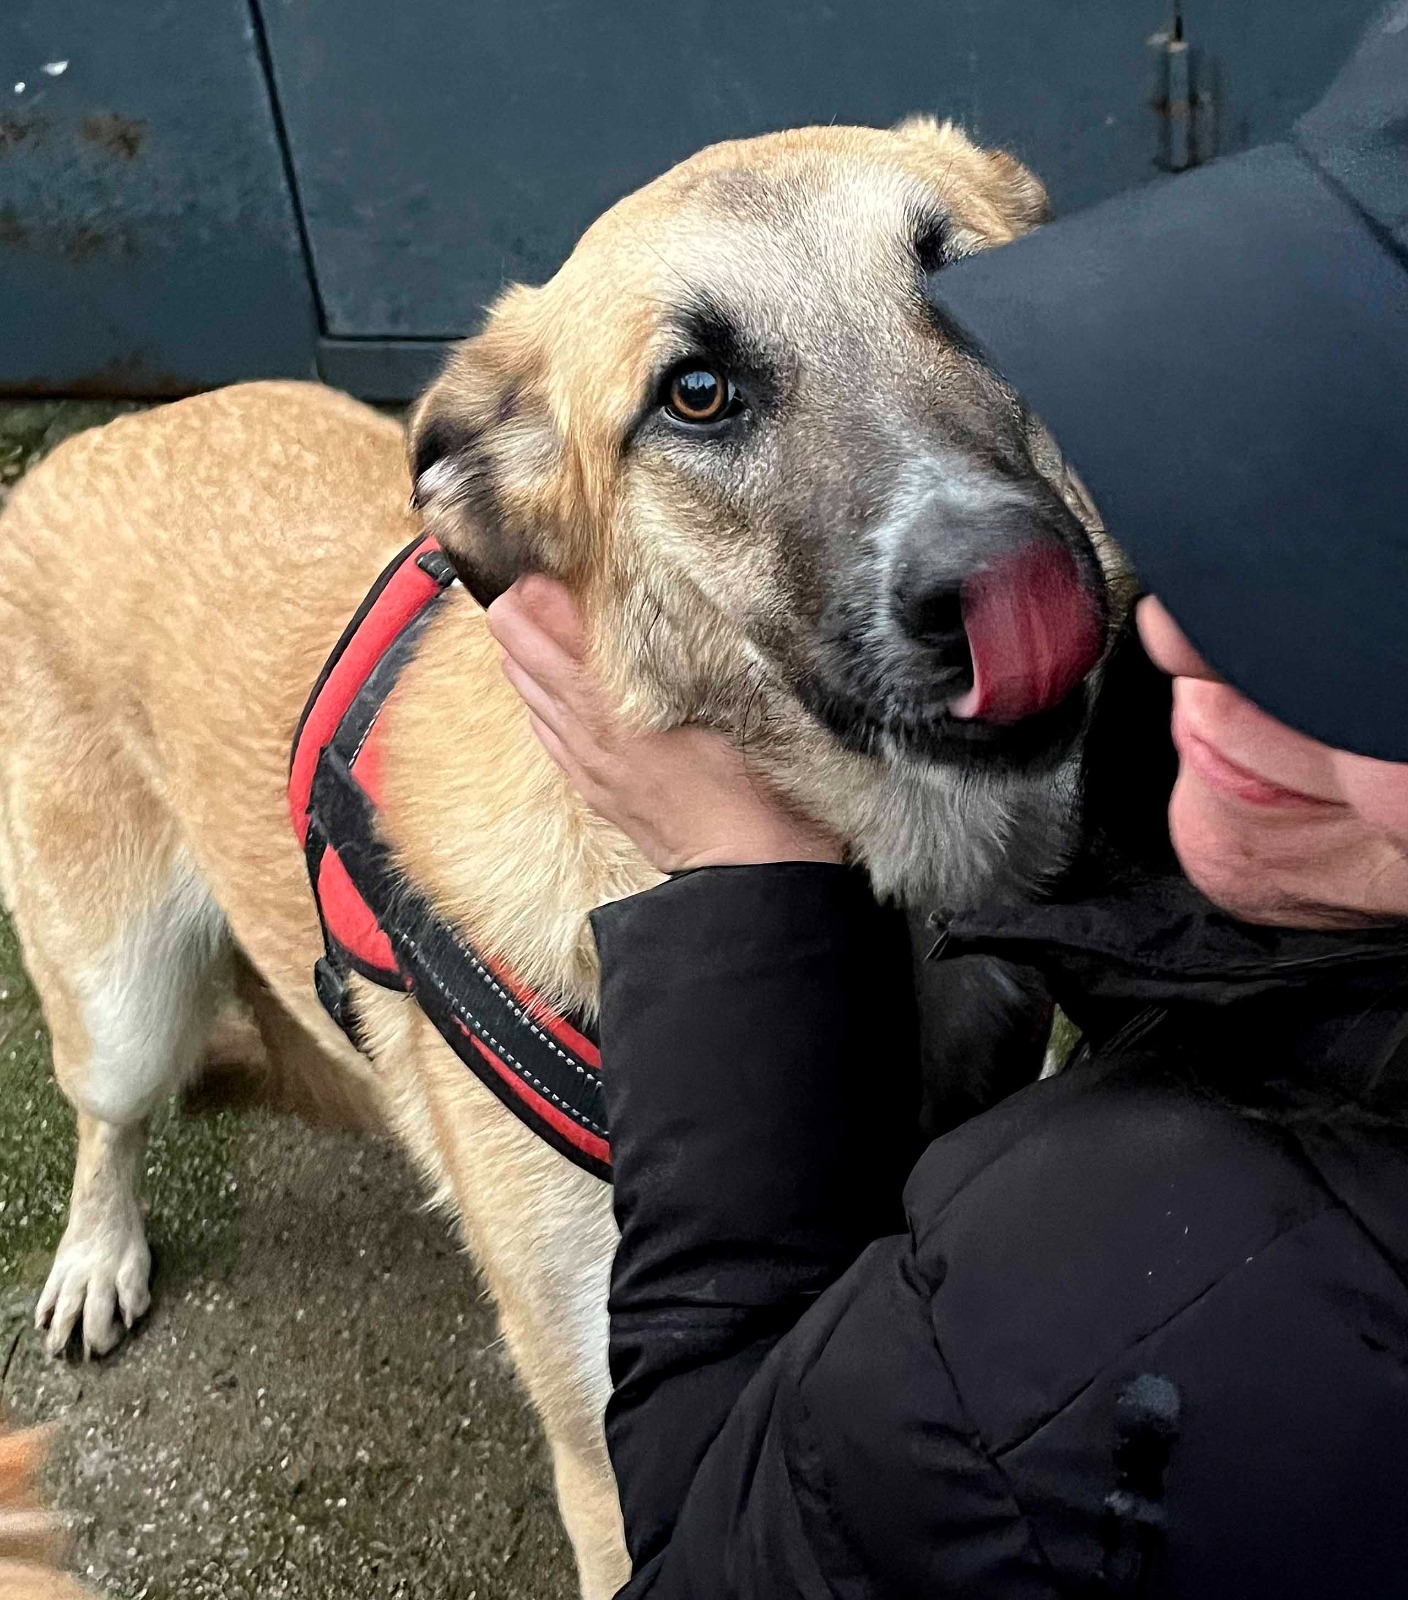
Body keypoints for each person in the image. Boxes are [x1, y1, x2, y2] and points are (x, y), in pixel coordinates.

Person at [488, 9, 1408, 1596]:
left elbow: (705, 1548)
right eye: (700, 392)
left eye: (958, 303)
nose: (1159, 616)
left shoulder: (1160, 1303)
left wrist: (735, 880)